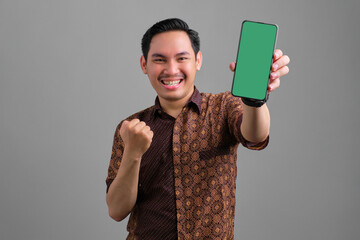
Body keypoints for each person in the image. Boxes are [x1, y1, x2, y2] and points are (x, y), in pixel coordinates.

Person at [106, 18, 290, 239]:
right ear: (144, 64)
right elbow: (117, 211)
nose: (171, 69)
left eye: (182, 58)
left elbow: (255, 136)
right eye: (160, 59)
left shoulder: (223, 107)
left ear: (198, 60)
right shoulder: (131, 129)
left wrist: (254, 100)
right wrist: (133, 154)